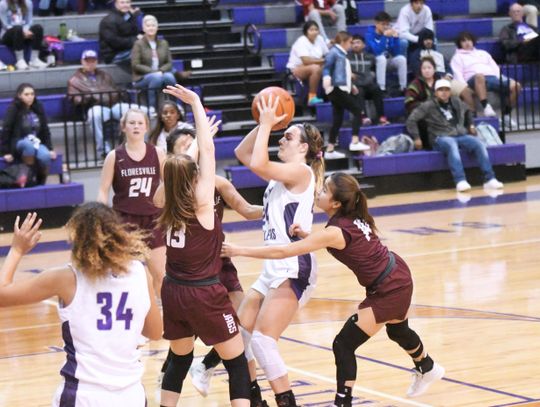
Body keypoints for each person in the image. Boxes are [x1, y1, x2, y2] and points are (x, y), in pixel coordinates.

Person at [222, 171, 446, 405]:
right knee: (397, 331)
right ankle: (427, 367)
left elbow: (284, 251)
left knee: (343, 344)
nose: (318, 192)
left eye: (324, 190)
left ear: (336, 203)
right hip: (396, 275)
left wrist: (239, 250)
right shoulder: (349, 219)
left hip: (389, 287)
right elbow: (342, 240)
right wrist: (308, 234)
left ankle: (343, 402)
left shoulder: (335, 231)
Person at [0, 207, 163, 406]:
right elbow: (155, 332)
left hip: (83, 396)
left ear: (79, 241)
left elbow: (2, 295)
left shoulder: (66, 278)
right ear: (118, 234)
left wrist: (17, 250)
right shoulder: (140, 273)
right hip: (131, 396)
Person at [154, 84, 250, 407]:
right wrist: (196, 102)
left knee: (179, 360)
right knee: (237, 363)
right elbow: (208, 154)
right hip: (203, 293)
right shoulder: (202, 205)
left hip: (173, 289)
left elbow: (184, 165)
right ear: (194, 177)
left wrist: (194, 143)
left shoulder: (167, 203)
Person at [234, 94, 324, 407]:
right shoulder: (278, 179)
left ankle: (286, 402)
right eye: (282, 136)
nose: (281, 140)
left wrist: (268, 123)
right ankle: (254, 397)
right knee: (240, 336)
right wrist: (266, 123)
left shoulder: (300, 172)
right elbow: (242, 152)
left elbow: (257, 162)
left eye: (288, 136)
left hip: (293, 265)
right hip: (273, 265)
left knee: (262, 338)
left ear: (304, 148)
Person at [97, 108, 167, 297]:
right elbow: (103, 189)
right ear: (123, 127)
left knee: (160, 274)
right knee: (124, 274)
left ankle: (160, 318)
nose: (136, 126)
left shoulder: (158, 153)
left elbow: (168, 184)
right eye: (132, 123)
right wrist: (100, 218)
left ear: (146, 127)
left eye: (140, 123)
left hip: (154, 219)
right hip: (124, 221)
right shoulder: (114, 156)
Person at [406, 79, 505, 192]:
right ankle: (460, 180)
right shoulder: (428, 105)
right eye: (440, 90)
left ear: (450, 92)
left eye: (447, 90)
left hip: (459, 134)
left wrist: (471, 126)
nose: (444, 92)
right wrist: (416, 137)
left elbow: (467, 111)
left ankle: (490, 179)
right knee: (451, 144)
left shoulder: (456, 101)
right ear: (435, 92)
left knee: (478, 143)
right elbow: (411, 120)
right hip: (440, 137)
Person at [68, 49, 131, 158]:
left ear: (96, 62)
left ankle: (132, 146)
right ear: (82, 62)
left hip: (113, 105)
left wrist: (116, 94)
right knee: (95, 115)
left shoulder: (104, 75)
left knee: (136, 111)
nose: (90, 63)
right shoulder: (74, 80)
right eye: (87, 61)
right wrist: (91, 97)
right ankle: (103, 149)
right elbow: (75, 99)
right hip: (95, 107)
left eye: (93, 61)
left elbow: (114, 89)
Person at [451, 31, 521, 123]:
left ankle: (506, 115)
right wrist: (465, 86)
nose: (467, 43)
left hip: (492, 78)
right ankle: (486, 106)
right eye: (463, 41)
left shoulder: (483, 53)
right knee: (479, 76)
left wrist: (501, 79)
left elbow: (495, 68)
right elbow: (457, 74)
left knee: (516, 85)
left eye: (469, 40)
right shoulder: (457, 57)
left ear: (473, 41)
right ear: (460, 44)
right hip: (473, 80)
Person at [322, 31, 369, 157]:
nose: (351, 45)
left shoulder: (341, 54)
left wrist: (351, 86)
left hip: (340, 87)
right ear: (343, 42)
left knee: (338, 119)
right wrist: (326, 78)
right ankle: (354, 141)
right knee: (358, 111)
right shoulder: (334, 53)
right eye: (350, 42)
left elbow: (344, 73)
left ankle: (330, 149)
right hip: (336, 88)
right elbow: (326, 67)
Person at [0, 83, 56, 185]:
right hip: (18, 142)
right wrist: (5, 152)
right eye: (26, 94)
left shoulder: (38, 107)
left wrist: (50, 148)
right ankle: (29, 177)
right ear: (19, 95)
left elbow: (45, 130)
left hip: (36, 142)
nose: (30, 97)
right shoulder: (14, 108)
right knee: (28, 145)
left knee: (45, 156)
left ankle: (40, 182)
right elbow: (6, 129)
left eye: (32, 94)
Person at [409, 29, 476, 114]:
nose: (429, 42)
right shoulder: (416, 55)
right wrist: (439, 77)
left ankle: (472, 115)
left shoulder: (439, 55)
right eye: (426, 39)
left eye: (430, 39)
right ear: (421, 41)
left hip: (446, 79)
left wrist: (448, 76)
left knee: (466, 91)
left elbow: (448, 68)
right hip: (430, 82)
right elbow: (418, 71)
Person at [132, 15, 176, 111]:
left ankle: (175, 106)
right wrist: (153, 72)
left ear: (157, 27)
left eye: (153, 25)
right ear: (143, 28)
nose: (151, 28)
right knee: (156, 78)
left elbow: (169, 63)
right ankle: (153, 109)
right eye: (148, 26)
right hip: (142, 77)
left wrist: (160, 70)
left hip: (161, 73)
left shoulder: (164, 43)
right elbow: (135, 65)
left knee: (170, 77)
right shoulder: (138, 44)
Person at [347, 35, 389, 126]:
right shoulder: (347, 58)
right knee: (358, 90)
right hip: (355, 85)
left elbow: (373, 71)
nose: (355, 45)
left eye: (358, 42)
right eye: (353, 43)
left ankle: (381, 117)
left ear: (364, 45)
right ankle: (363, 117)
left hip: (368, 84)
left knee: (377, 89)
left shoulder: (370, 57)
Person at [286, 21, 328, 106]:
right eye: (311, 30)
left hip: (313, 65)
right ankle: (312, 97)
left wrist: (325, 60)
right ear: (306, 32)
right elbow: (306, 61)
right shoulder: (301, 41)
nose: (314, 32)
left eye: (316, 29)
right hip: (296, 69)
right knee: (316, 68)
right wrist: (322, 61)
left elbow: (327, 54)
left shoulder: (320, 39)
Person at [365, 12, 407, 94]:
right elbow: (377, 52)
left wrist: (395, 38)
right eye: (383, 24)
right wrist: (384, 37)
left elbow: (396, 53)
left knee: (401, 59)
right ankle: (381, 89)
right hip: (373, 63)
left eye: (387, 24)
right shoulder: (369, 35)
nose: (385, 27)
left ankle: (403, 88)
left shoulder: (388, 33)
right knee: (381, 58)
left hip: (386, 61)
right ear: (376, 24)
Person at [0, 0, 47, 70]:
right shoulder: (3, 4)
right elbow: (5, 24)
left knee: (38, 28)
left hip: (23, 32)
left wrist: (25, 30)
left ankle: (34, 59)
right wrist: (22, 31)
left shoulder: (28, 3)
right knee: (17, 29)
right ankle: (20, 60)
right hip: (8, 34)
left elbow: (29, 21)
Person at [404, 57, 437, 149]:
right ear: (420, 70)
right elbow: (409, 103)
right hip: (422, 114)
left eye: (429, 68)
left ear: (434, 69)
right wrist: (426, 107)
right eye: (424, 68)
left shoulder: (440, 83)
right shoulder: (415, 84)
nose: (427, 70)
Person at [99, 0, 141, 64]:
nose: (125, 5)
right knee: (144, 53)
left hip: (127, 50)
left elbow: (135, 33)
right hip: (113, 55)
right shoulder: (108, 20)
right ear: (116, 4)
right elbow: (115, 43)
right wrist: (136, 40)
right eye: (122, 2)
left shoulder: (130, 17)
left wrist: (134, 16)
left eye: (128, 2)